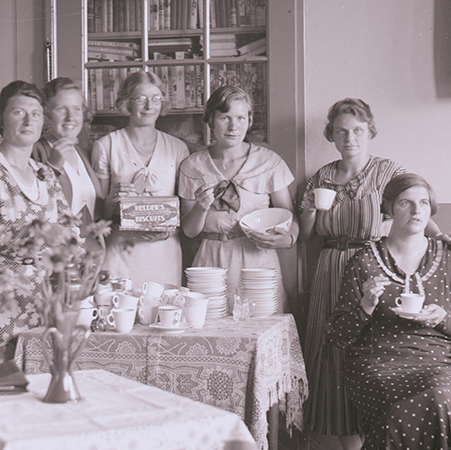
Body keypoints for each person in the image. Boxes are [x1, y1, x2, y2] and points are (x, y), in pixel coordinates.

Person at [299, 98, 447, 449]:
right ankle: (335, 437)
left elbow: (414, 203)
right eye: (341, 131)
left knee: (368, 342)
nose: (350, 138)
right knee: (331, 348)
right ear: (331, 135)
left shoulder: (388, 171)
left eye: (358, 131)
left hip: (376, 264)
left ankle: (369, 434)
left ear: (370, 132)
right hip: (333, 263)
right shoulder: (322, 176)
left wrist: (440, 237)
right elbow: (306, 235)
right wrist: (308, 209)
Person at [327, 173, 451, 450]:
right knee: (431, 401)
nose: (417, 210)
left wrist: (443, 318)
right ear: (389, 208)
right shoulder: (364, 261)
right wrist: (365, 306)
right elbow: (338, 335)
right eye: (406, 203)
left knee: (442, 397)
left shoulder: (448, 257)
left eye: (423, 203)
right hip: (377, 361)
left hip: (438, 361)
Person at [0, 80, 70, 367]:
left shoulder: (44, 173)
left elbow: (68, 226)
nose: (29, 120)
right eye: (18, 112)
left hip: (39, 297)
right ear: (0, 119)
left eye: (36, 113)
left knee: (34, 385)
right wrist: (37, 230)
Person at [179, 85, 297, 308]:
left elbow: (290, 218)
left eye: (241, 118)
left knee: (259, 325)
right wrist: (201, 208)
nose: (234, 126)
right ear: (210, 120)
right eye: (225, 118)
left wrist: (288, 239)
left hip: (257, 260)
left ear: (250, 121)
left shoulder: (269, 162)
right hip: (210, 261)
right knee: (209, 327)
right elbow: (189, 231)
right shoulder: (193, 166)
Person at [91, 71, 189, 288]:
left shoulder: (177, 148)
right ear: (127, 102)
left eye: (156, 99)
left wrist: (169, 228)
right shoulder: (106, 146)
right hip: (121, 254)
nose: (149, 106)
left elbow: (185, 209)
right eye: (140, 99)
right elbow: (99, 216)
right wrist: (111, 201)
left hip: (164, 253)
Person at [32, 77, 104, 226]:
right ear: (46, 113)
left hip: (89, 247)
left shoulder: (82, 153)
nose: (70, 117)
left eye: (77, 109)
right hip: (57, 247)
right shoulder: (35, 151)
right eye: (61, 109)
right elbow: (31, 208)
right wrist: (52, 167)